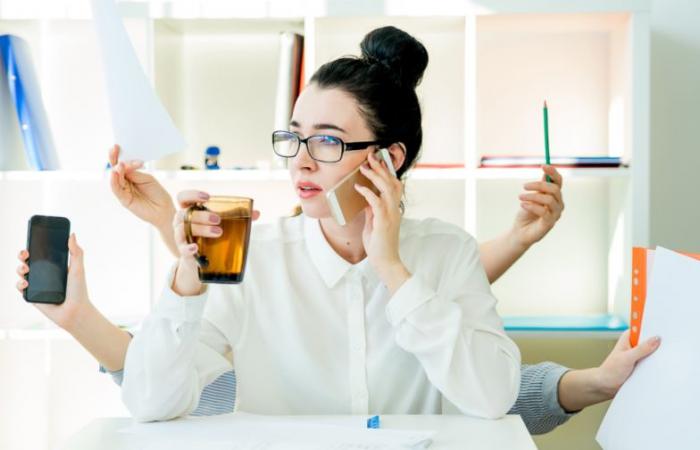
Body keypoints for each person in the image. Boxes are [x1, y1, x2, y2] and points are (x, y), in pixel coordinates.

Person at [14, 26, 659, 431]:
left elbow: (491, 398)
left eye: (325, 141)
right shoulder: (250, 254)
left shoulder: (445, 254)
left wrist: (393, 269)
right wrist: (188, 275)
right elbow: (154, 401)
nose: (299, 159)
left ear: (388, 158)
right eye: (293, 138)